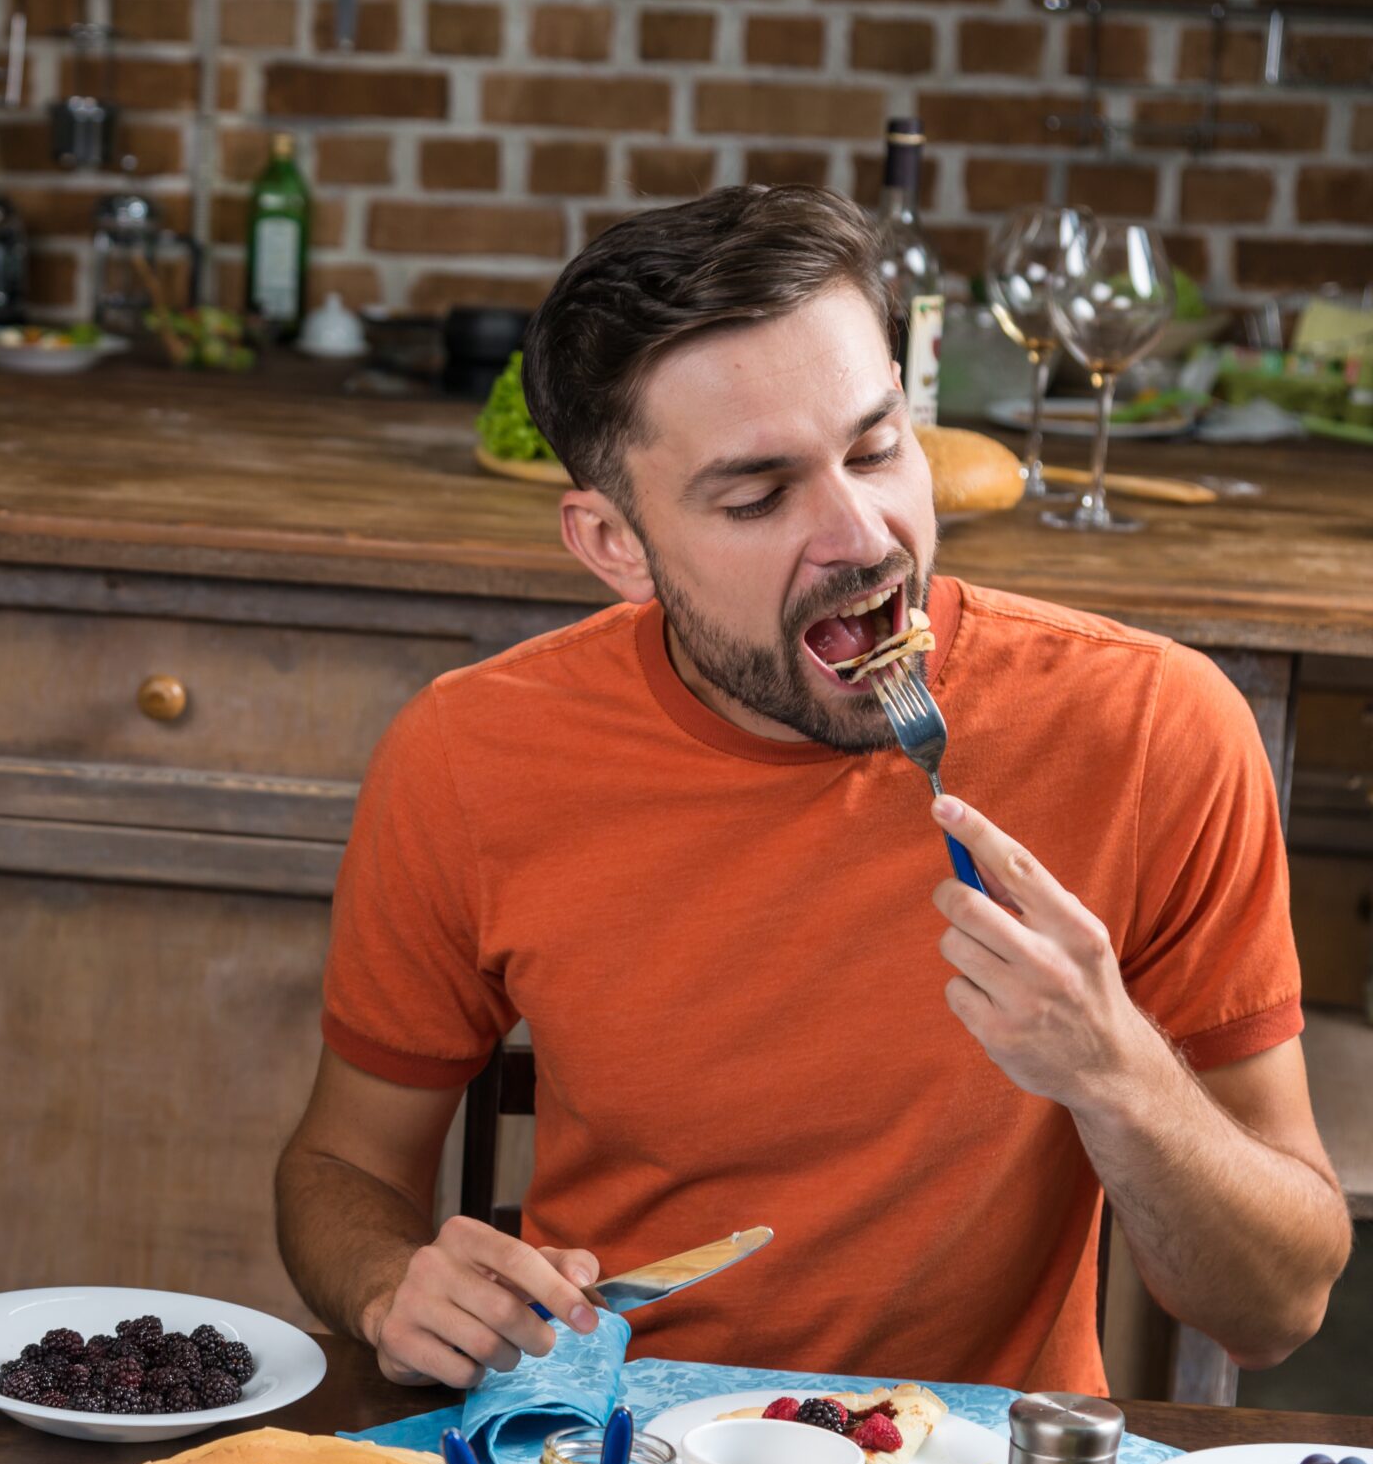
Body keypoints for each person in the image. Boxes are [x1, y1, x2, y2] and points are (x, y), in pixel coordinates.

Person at [276, 185, 1349, 1399]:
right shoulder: (469, 754)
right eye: (757, 496)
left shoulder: (1151, 727)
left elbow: (1274, 1307)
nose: (859, 533)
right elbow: (339, 1166)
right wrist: (388, 1279)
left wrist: (1116, 1071)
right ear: (612, 545)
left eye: (877, 448)